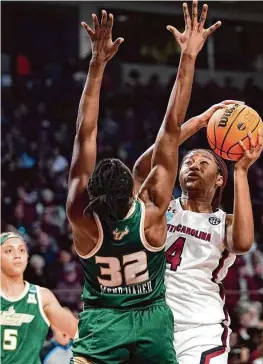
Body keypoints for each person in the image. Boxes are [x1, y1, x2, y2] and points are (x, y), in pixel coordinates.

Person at [66, 3, 220, 363]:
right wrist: (189, 57)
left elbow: (84, 134)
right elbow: (170, 127)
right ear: (134, 191)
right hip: (151, 320)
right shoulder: (150, 212)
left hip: (101, 321)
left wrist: (96, 65)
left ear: (90, 193)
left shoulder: (82, 216)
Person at [133, 57, 263, 364]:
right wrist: (200, 122)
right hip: (153, 321)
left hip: (201, 326)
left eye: (203, 163)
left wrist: (242, 171)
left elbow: (243, 244)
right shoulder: (160, 207)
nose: (193, 165)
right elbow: (141, 170)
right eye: (188, 162)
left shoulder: (224, 221)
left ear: (220, 180)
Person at [0, 232, 78, 364]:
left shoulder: (42, 297)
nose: (17, 254)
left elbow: (82, 333)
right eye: (9, 250)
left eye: (22, 250)